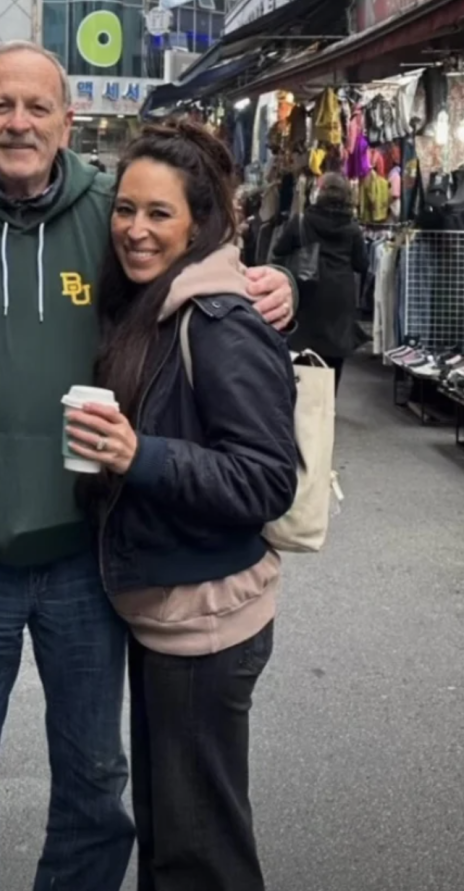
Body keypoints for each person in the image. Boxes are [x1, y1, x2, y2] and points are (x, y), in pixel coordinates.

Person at [0, 42, 296, 891]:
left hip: (89, 555)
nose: (18, 123)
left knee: (95, 788)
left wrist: (274, 286)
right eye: (0, 106)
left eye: (37, 108)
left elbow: (193, 273)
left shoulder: (110, 211)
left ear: (66, 121)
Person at [65, 122, 299, 891]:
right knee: (173, 836)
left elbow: (267, 479)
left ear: (198, 223)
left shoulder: (221, 319)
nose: (135, 229)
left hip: (206, 622)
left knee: (201, 853)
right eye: (125, 210)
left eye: (159, 214)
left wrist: (142, 457)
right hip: (169, 614)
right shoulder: (152, 303)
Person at [274, 172, 368, 393]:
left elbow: (279, 250)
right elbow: (361, 264)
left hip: (308, 293)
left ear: (319, 193)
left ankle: (301, 404)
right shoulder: (353, 228)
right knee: (334, 359)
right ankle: (325, 409)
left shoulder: (302, 222)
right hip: (340, 297)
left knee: (302, 354)